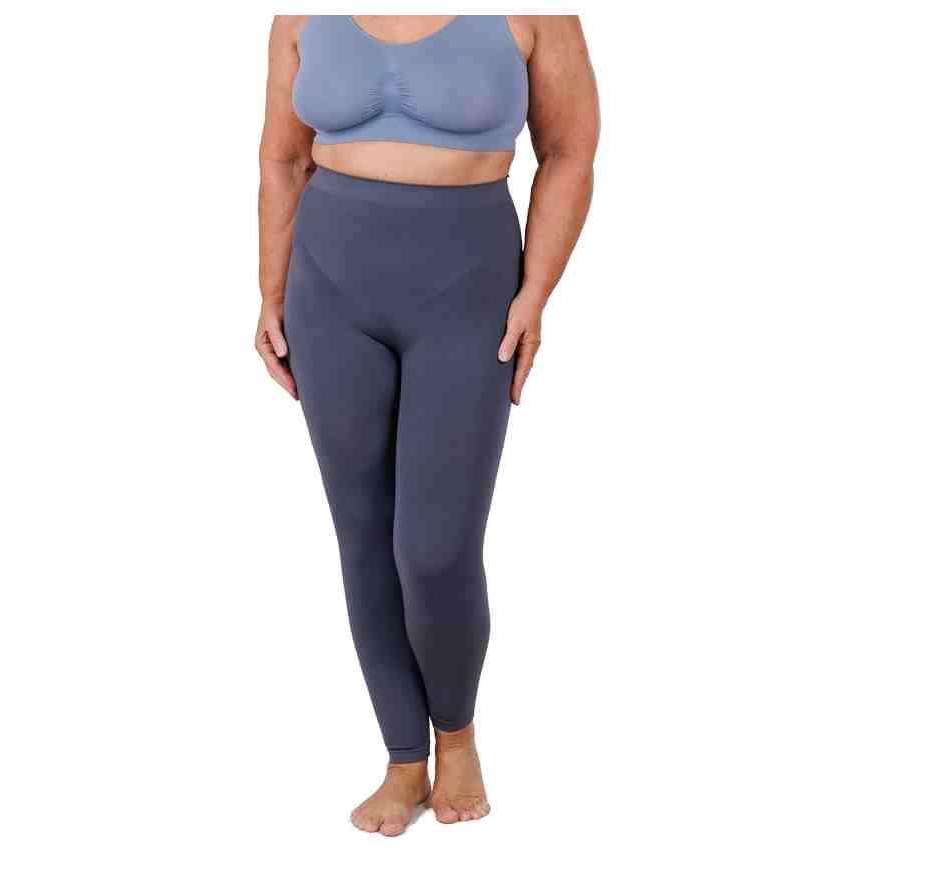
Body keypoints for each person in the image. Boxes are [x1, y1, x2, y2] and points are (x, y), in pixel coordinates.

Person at [255, 15, 599, 836]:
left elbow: (569, 152)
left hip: (467, 289)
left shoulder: (533, 14)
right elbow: (282, 156)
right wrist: (269, 291)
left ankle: (458, 735)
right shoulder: (298, 13)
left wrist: (535, 292)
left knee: (435, 547)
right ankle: (403, 759)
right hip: (328, 289)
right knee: (364, 535)